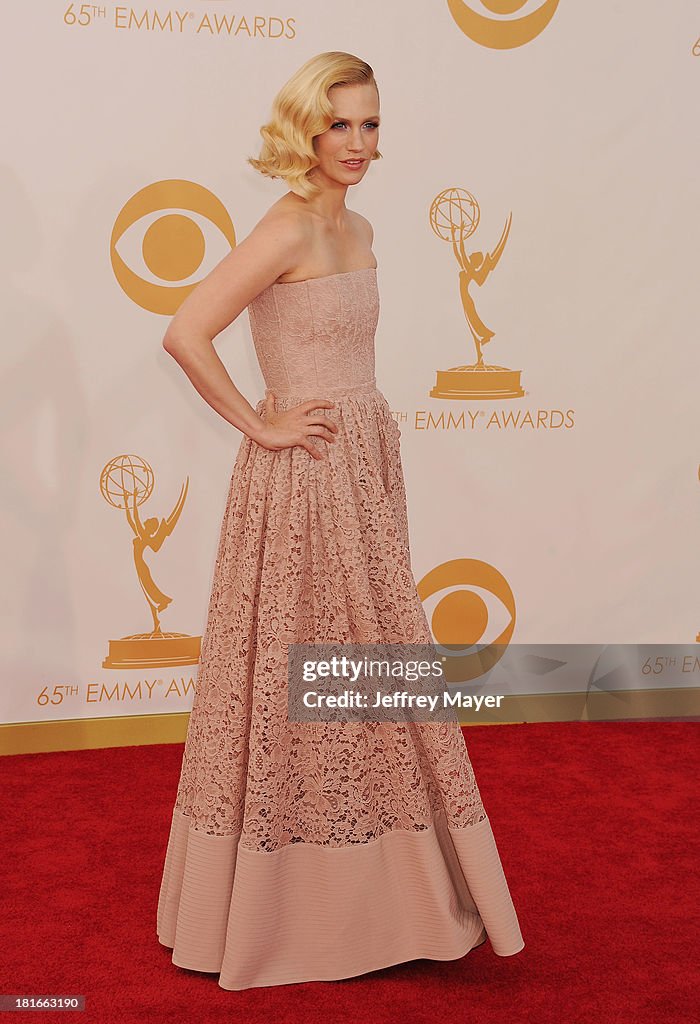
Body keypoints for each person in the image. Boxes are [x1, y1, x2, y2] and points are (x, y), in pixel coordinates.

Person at [156, 50, 524, 992]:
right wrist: (262, 424)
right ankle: (300, 904)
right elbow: (186, 330)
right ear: (304, 130)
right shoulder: (285, 229)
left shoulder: (357, 228)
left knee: (359, 672)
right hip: (306, 479)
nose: (357, 144)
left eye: (369, 124)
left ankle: (384, 892)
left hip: (362, 466)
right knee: (302, 668)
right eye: (339, 125)